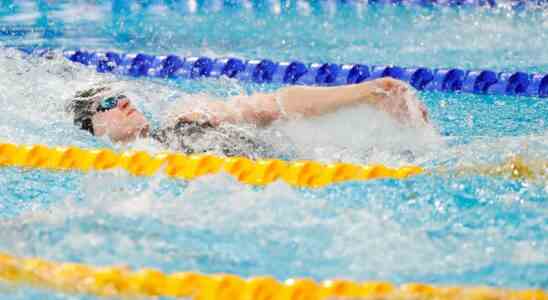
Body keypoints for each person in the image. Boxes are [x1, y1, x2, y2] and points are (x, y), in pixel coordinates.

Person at [65, 77, 431, 158]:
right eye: (109, 102)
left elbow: (276, 104)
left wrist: (365, 91)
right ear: (93, 128)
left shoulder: (187, 117)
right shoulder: (114, 172)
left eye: (123, 95)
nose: (124, 102)